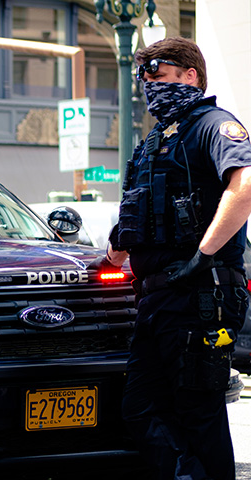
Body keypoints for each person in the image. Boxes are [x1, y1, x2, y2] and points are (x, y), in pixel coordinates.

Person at [92, 37, 251, 480]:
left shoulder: (213, 125)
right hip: (157, 299)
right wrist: (106, 256)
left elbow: (246, 185)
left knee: (198, 414)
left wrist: (204, 255)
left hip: (200, 294)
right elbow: (134, 219)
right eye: (145, 80)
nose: (150, 88)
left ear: (190, 76)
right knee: (140, 408)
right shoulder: (156, 142)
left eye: (159, 77)